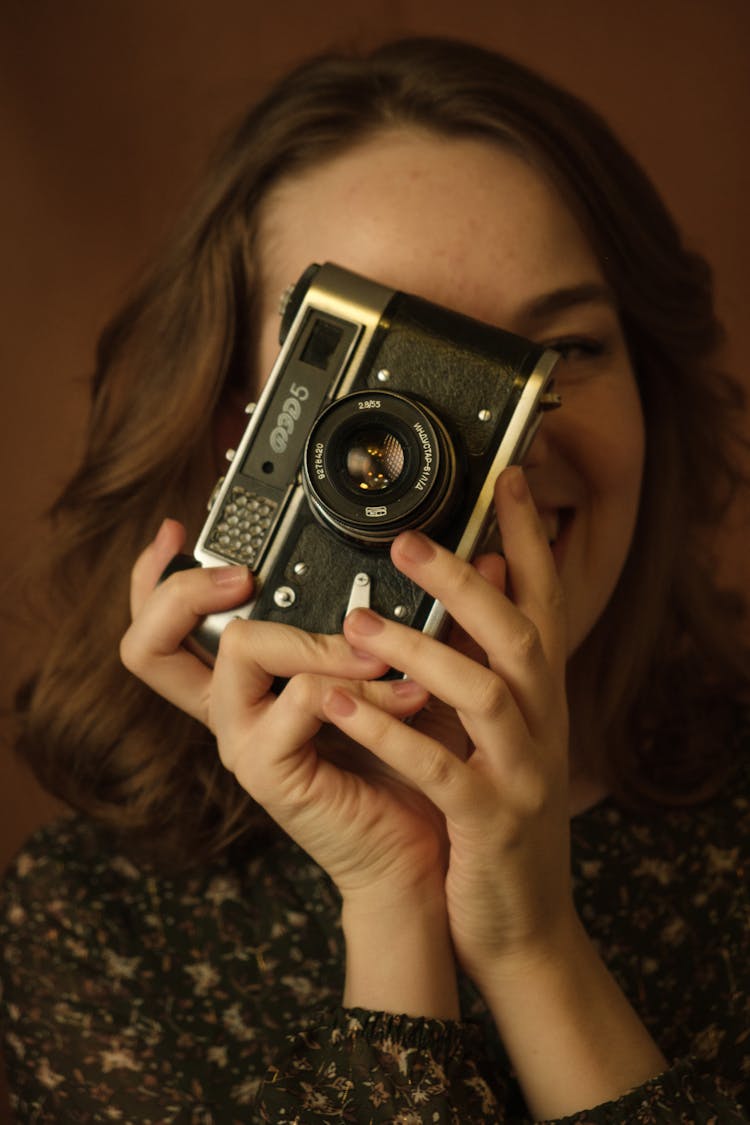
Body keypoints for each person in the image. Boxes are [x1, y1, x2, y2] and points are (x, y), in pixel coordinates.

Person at [0, 36, 748, 1124]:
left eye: (562, 352)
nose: (493, 451)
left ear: (652, 386)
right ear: (240, 425)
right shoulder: (92, 921)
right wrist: (391, 893)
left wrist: (534, 946)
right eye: (388, 371)